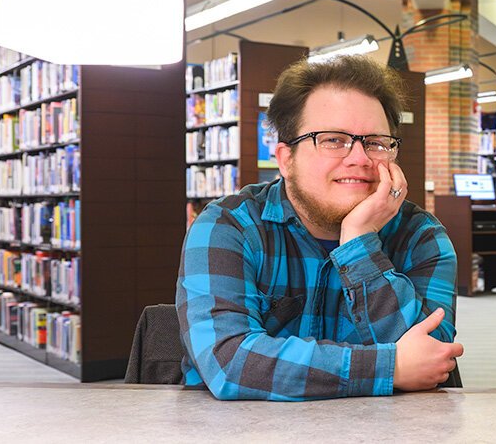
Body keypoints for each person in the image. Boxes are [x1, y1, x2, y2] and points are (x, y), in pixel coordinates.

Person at [176, 55, 463, 401]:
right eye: (333, 140)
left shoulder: (422, 237)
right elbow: (230, 361)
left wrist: (359, 243)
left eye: (375, 142)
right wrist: (388, 368)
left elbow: (432, 358)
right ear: (285, 159)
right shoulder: (228, 227)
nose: (359, 158)